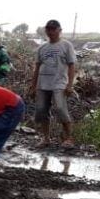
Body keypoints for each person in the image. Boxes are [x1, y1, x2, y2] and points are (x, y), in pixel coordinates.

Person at [30, 19, 77, 147]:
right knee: (41, 111)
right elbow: (37, 67)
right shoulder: (42, 48)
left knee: (61, 109)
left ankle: (68, 138)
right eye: (48, 29)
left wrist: (70, 85)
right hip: (42, 84)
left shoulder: (66, 45)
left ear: (59, 30)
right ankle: (46, 138)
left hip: (59, 83)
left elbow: (72, 66)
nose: (50, 32)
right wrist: (33, 86)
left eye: (53, 29)